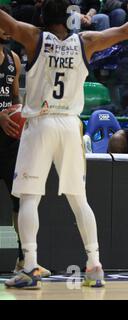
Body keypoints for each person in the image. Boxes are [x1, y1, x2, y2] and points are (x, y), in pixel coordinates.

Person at [0, 0, 128, 289]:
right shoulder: (85, 42)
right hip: (71, 124)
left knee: (30, 198)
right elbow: (124, 31)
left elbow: (6, 23)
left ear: (43, 16)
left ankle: (30, 265)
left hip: (42, 122)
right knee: (79, 200)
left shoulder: (34, 37)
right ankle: (94, 265)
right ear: (70, 17)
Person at [0, 6, 51, 278]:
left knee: (20, 200)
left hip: (9, 140)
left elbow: (14, 99)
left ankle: (24, 259)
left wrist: (21, 115)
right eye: (4, 24)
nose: (9, 29)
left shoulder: (13, 59)